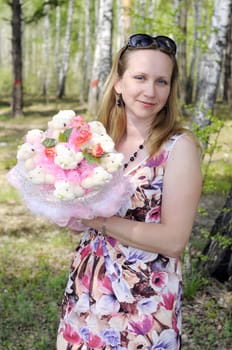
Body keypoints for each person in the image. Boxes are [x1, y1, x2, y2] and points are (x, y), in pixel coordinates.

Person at [56, 33, 202, 350]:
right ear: (119, 83)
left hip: (143, 304)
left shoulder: (179, 147)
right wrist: (67, 209)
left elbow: (174, 240)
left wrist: (98, 221)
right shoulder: (98, 141)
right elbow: (81, 217)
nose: (151, 91)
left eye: (162, 81)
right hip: (87, 290)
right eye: (140, 77)